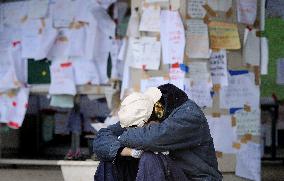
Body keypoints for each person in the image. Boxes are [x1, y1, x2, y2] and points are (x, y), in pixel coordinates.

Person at [93, 84, 222, 180]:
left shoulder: (189, 116)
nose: (136, 131)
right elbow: (101, 139)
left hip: (193, 178)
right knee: (111, 159)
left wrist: (120, 137)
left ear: (151, 118)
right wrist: (128, 151)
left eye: (139, 128)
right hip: (169, 174)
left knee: (150, 158)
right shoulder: (147, 108)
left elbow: (150, 138)